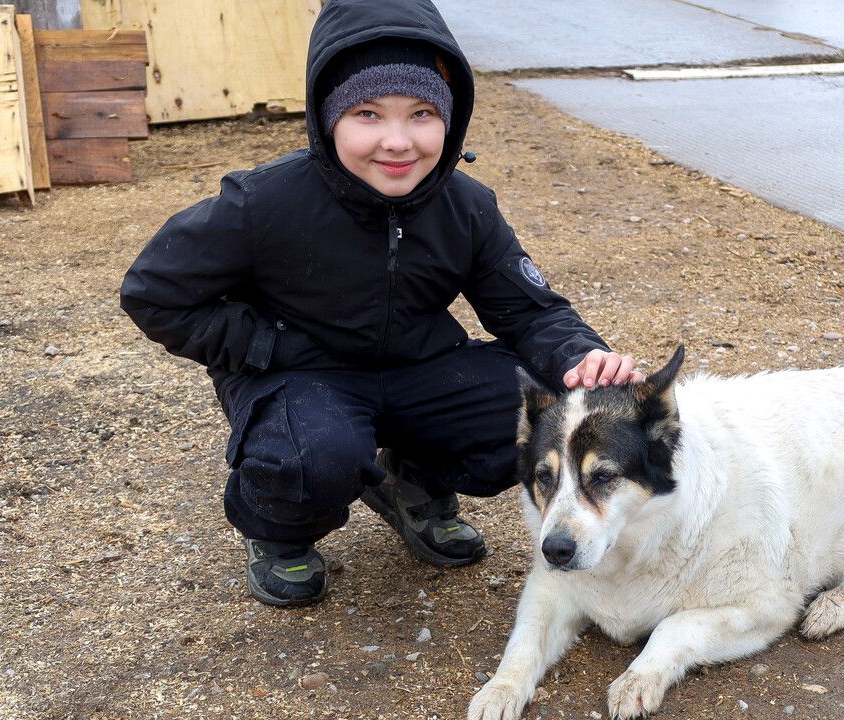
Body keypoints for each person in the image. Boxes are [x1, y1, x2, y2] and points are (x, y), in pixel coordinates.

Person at [119, 0, 641, 608]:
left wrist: (582, 355)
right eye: (367, 114)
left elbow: (530, 311)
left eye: (421, 114)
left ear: (451, 118)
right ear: (326, 116)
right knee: (314, 455)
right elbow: (153, 293)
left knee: (528, 417)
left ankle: (412, 483)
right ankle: (279, 534)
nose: (397, 141)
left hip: (417, 369)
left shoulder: (465, 205)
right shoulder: (263, 203)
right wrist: (268, 345)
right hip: (300, 377)